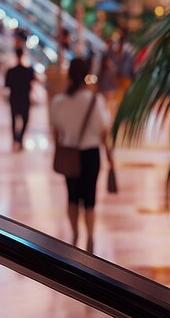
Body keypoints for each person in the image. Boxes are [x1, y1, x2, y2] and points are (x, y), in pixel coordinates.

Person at [49, 58, 113, 254]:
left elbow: (56, 130)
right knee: (90, 196)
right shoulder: (96, 101)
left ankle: (75, 234)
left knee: (72, 196)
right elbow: (103, 131)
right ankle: (91, 237)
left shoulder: (59, 101)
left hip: (70, 152)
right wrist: (110, 156)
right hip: (91, 154)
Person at [4, 48, 35, 151]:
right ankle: (19, 139)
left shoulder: (11, 71)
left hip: (14, 98)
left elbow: (7, 85)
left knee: (14, 120)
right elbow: (33, 82)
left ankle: (16, 139)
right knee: (25, 119)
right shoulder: (28, 71)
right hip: (24, 98)